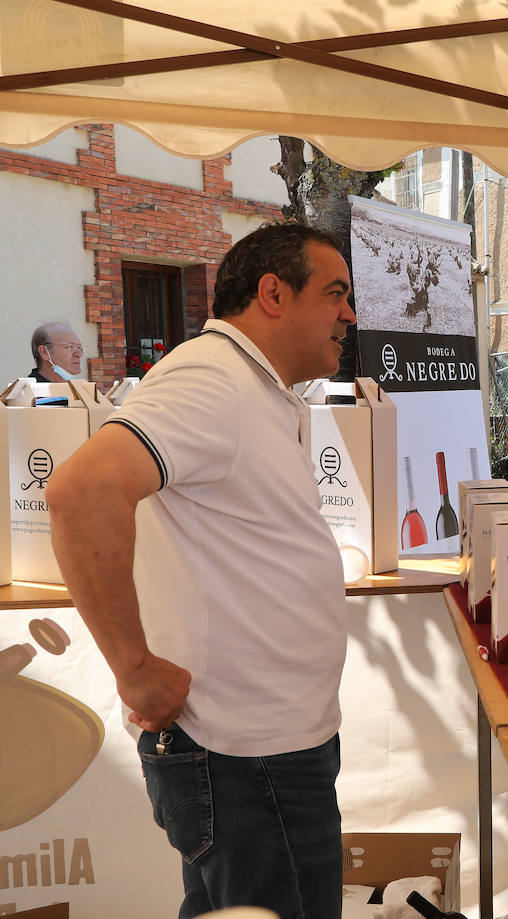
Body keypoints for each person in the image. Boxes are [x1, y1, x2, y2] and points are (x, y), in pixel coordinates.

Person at [46, 223, 356, 919]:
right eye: (335, 293)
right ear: (273, 294)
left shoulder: (249, 385)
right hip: (246, 758)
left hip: (259, 751)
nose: (349, 314)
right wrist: (134, 669)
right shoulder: (212, 379)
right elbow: (80, 492)